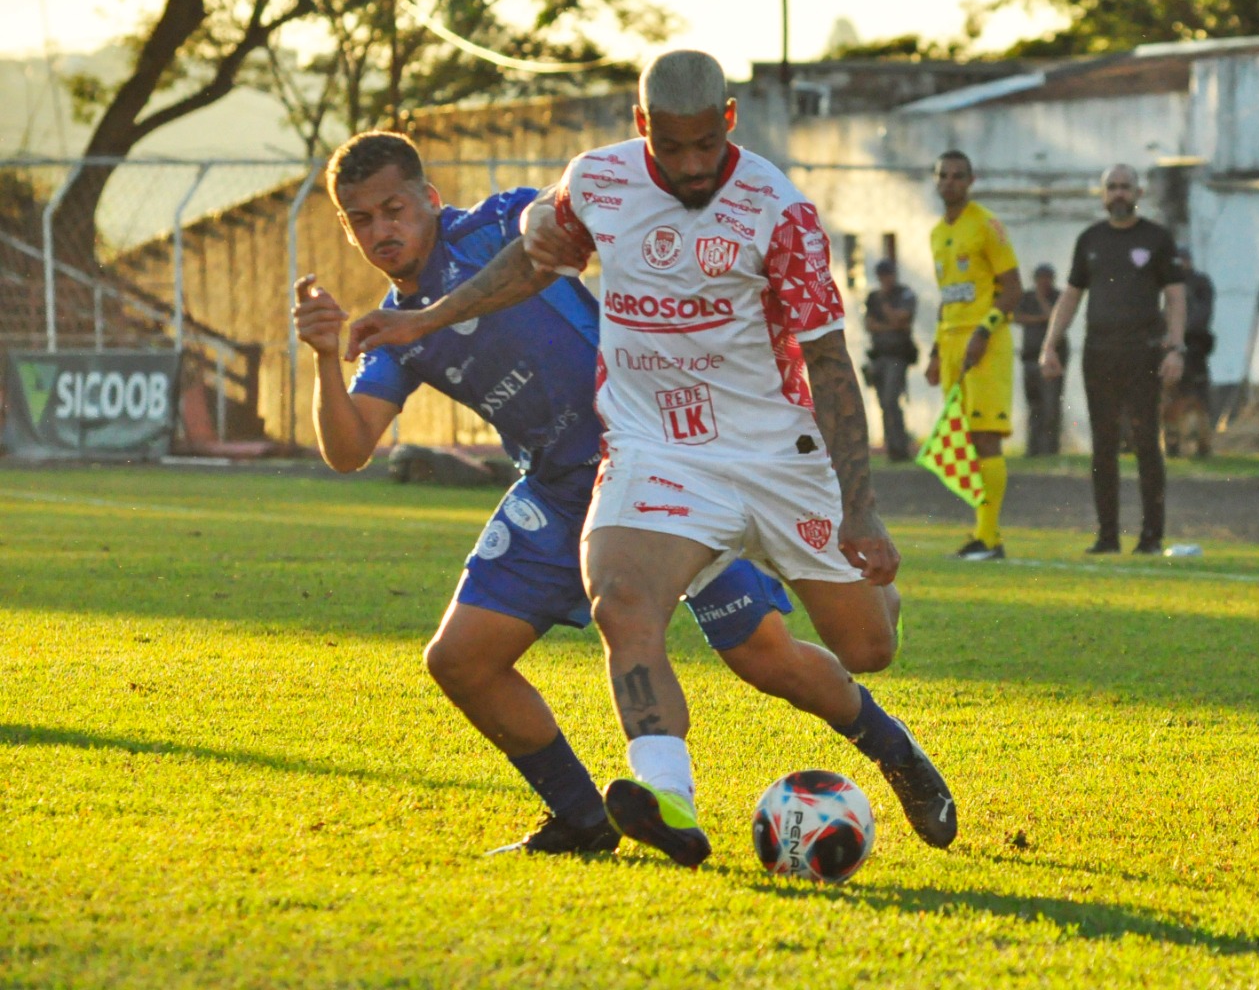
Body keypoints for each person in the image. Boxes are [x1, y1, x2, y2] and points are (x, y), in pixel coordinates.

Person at [346, 51, 956, 868]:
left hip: (774, 451)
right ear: (643, 129)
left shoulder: (779, 212)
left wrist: (859, 505)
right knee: (623, 601)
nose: (694, 165)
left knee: (863, 645)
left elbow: (831, 361)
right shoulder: (597, 184)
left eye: (708, 145)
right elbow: (534, 262)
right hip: (655, 447)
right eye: (674, 148)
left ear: (729, 121)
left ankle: (895, 745)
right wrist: (425, 322)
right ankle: (667, 794)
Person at [294, 130, 818, 856]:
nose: (382, 230)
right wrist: (325, 360)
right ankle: (581, 817)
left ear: (430, 200)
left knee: (766, 657)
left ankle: (897, 754)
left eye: (394, 209)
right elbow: (349, 449)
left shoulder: (499, 224)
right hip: (557, 486)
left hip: (656, 456)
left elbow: (577, 215)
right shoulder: (393, 329)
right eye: (362, 220)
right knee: (460, 659)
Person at [1039, 164, 1185, 555]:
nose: (1119, 194)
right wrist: (1050, 344)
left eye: (1125, 187)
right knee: (1103, 445)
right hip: (1099, 353)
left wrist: (1175, 348)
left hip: (1144, 353)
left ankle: (1151, 537)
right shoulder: (1090, 240)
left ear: (1138, 193)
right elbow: (1070, 296)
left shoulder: (1157, 239)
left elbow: (1174, 296)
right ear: (1103, 195)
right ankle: (1107, 536)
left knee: (1144, 440)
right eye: (1112, 187)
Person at [924, 150, 1023, 560]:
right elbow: (946, 300)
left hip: (985, 344)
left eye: (958, 176)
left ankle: (990, 537)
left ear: (971, 180)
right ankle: (982, 533)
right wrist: (933, 351)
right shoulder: (935, 234)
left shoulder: (987, 226)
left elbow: (1014, 288)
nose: (950, 182)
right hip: (951, 344)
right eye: (943, 175)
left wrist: (984, 330)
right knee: (963, 441)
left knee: (985, 438)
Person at [1161, 248, 1216, 459]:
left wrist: (1180, 332)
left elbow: (1204, 314)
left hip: (1194, 349)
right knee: (1171, 396)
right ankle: (1172, 443)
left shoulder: (1201, 283)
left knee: (1198, 398)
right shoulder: (1166, 284)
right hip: (1172, 349)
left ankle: (1203, 443)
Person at [863, 258, 919, 461]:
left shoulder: (903, 294)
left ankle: (900, 446)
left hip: (898, 354)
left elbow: (901, 318)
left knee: (891, 399)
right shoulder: (872, 297)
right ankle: (892, 447)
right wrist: (891, 325)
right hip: (878, 354)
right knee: (883, 403)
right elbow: (869, 325)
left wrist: (886, 308)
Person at [1015, 262, 1067, 457]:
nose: (1043, 282)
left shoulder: (1058, 297)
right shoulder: (1027, 297)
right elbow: (1016, 317)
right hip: (1029, 356)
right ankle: (1033, 448)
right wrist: (1039, 319)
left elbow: (1052, 316)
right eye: (1040, 278)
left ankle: (1050, 449)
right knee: (1033, 405)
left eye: (1047, 278)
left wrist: (1041, 301)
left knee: (1051, 406)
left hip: (1053, 360)